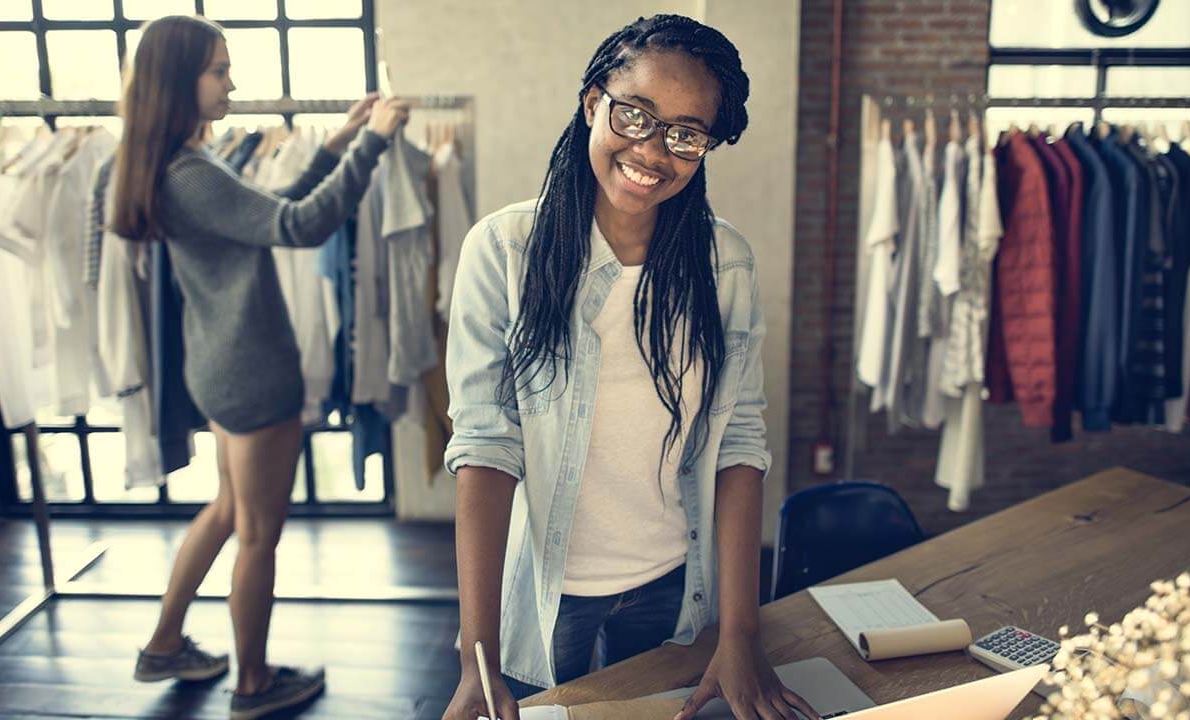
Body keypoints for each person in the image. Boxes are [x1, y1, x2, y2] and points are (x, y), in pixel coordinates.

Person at [441, 14, 820, 720]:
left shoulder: (725, 262)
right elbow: (486, 449)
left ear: (704, 146)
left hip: (673, 587)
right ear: (593, 104)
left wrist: (740, 633)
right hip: (542, 594)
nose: (653, 149)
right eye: (635, 114)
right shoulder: (503, 250)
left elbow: (739, 444)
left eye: (685, 132)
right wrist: (477, 657)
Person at [110, 15, 408, 720]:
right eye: (219, 69)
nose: (232, 81)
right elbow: (300, 227)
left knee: (226, 511)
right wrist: (373, 143)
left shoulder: (180, 164)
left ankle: (163, 644)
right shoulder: (189, 173)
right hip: (251, 372)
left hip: (219, 366)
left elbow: (268, 211)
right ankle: (253, 684)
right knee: (257, 535)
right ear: (180, 80)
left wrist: (336, 142)